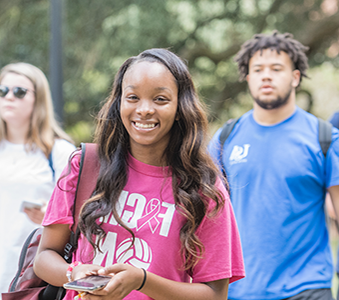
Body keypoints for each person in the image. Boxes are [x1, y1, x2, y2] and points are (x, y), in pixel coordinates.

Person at [33, 48, 245, 300]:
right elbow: (44, 257)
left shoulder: (204, 188)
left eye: (160, 99)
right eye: (132, 97)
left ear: (180, 107)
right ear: (119, 102)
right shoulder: (85, 166)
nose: (144, 110)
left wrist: (142, 281)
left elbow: (214, 295)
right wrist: (74, 273)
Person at [208, 31, 339, 300]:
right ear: (247, 78)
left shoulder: (324, 138)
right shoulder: (225, 138)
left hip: (308, 288)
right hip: (237, 290)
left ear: (295, 77)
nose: (266, 76)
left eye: (277, 68)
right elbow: (204, 214)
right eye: (258, 69)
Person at [0, 62, 76, 300]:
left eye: (19, 91)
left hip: (34, 283)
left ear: (38, 99)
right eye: (2, 91)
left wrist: (50, 217)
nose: (9, 97)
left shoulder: (58, 152)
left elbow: (77, 218)